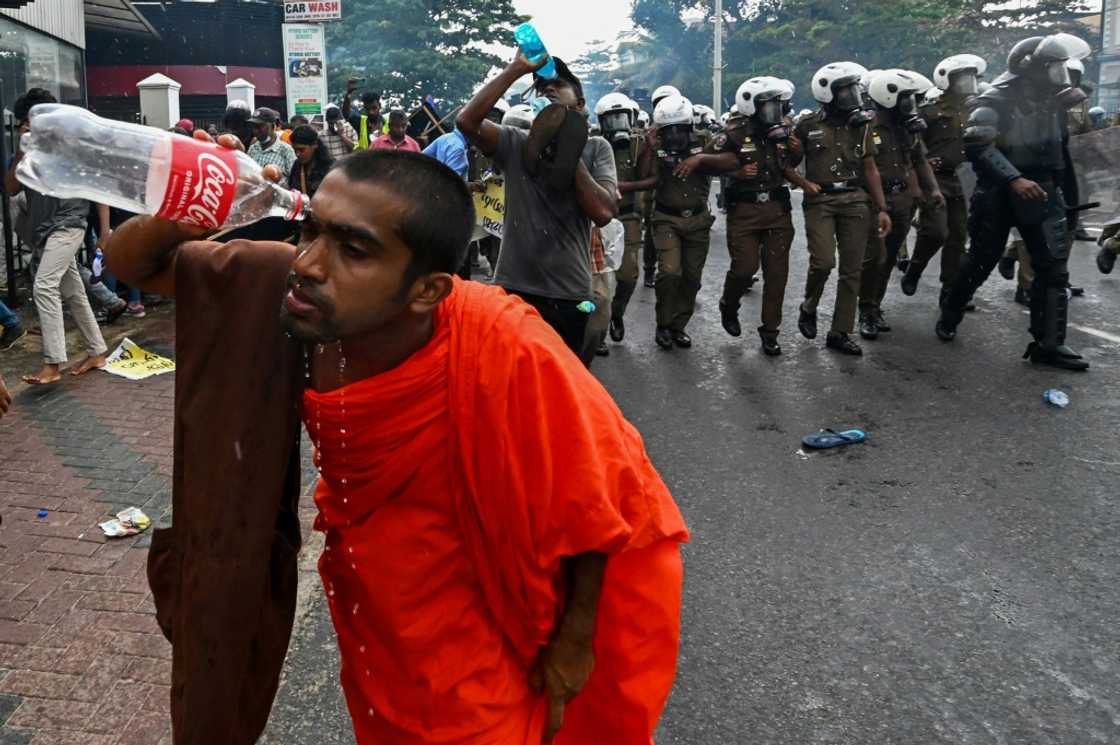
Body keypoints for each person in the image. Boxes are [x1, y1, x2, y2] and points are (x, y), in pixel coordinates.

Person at [106, 147, 688, 745]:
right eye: (310, 231)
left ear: (427, 290)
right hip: (374, 606)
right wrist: (200, 199)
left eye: (352, 250)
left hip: (480, 614)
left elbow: (602, 499)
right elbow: (132, 261)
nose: (308, 263)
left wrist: (575, 639)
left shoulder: (504, 342)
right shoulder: (296, 293)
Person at [937, 35, 1090, 371]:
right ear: (1031, 67)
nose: (1060, 74)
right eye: (1054, 67)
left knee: (1052, 268)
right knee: (982, 259)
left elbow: (1060, 150)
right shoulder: (995, 98)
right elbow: (978, 146)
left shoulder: (1053, 101)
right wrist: (1014, 179)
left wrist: (1069, 196)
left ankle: (1049, 344)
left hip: (1044, 190)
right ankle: (950, 311)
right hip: (999, 192)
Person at [457, 52, 617, 354]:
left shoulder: (596, 148)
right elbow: (466, 121)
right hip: (515, 289)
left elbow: (603, 211)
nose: (548, 90)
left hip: (570, 292)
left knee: (563, 387)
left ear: (580, 105)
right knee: (513, 386)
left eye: (558, 85)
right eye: (542, 88)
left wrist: (568, 146)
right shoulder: (516, 142)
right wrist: (516, 69)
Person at [784, 63, 891, 357]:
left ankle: (840, 332)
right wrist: (804, 183)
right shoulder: (807, 126)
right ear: (827, 94)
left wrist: (881, 208)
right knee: (823, 262)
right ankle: (809, 305)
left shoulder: (862, 126)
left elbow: (870, 167)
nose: (852, 95)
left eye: (853, 89)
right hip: (821, 200)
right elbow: (787, 165)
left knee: (851, 270)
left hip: (855, 199)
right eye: (844, 90)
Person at [5, 88, 108, 384]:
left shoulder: (72, 146)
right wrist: (22, 151)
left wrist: (103, 233)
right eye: (25, 121)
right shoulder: (27, 152)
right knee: (73, 291)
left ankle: (53, 363)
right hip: (45, 231)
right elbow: (11, 189)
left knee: (44, 286)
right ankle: (97, 350)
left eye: (31, 119)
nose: (29, 125)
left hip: (69, 224)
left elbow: (97, 190)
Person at [633, 94, 740, 350]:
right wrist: (649, 148)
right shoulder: (656, 145)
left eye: (679, 130)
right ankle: (663, 324)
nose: (674, 137)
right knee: (669, 273)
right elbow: (644, 176)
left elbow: (732, 161)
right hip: (666, 218)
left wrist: (700, 159)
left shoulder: (705, 141)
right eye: (668, 131)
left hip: (697, 219)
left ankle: (679, 326)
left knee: (692, 277)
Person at [857, 69, 945, 340]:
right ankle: (865, 311)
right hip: (873, 201)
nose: (911, 104)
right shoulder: (865, 126)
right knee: (875, 258)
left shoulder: (908, 127)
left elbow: (919, 160)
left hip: (902, 199)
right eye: (906, 98)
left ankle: (875, 306)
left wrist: (933, 189)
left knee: (890, 256)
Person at [718, 77, 800, 356]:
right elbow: (705, 162)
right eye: (767, 105)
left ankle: (770, 331)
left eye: (777, 104)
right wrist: (734, 172)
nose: (775, 110)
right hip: (744, 212)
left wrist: (796, 151)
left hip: (777, 211)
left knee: (777, 274)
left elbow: (788, 164)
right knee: (744, 268)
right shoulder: (734, 132)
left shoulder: (784, 129)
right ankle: (729, 304)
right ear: (751, 107)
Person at [902, 54, 986, 304]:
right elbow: (913, 146)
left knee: (959, 236)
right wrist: (923, 164)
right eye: (962, 79)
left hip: (964, 178)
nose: (968, 83)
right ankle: (915, 267)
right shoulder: (930, 111)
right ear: (947, 81)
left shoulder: (978, 110)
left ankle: (949, 289)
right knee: (936, 231)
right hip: (935, 179)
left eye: (971, 78)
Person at [596, 93, 645, 344]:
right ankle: (598, 331)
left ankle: (617, 314)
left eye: (622, 117)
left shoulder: (639, 145)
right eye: (612, 119)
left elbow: (652, 177)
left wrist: (622, 186)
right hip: (596, 220)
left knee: (628, 276)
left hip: (628, 218)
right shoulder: (591, 143)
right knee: (597, 283)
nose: (618, 124)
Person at [247, 108, 297, 185]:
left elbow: (294, 180)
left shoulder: (286, 150)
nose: (255, 131)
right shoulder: (252, 149)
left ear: (273, 126)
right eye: (254, 127)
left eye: (260, 126)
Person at [288, 125, 334, 199]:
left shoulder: (331, 168)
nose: (297, 154)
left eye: (301, 150)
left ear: (315, 144)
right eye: (295, 150)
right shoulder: (297, 165)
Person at [342, 80, 384, 150]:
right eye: (368, 109)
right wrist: (348, 94)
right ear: (364, 108)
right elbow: (346, 114)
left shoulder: (389, 122)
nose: (371, 112)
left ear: (379, 106)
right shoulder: (360, 122)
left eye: (374, 108)